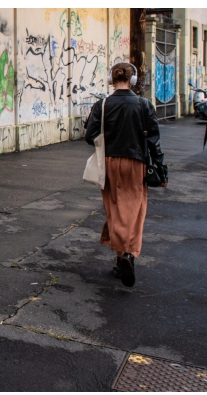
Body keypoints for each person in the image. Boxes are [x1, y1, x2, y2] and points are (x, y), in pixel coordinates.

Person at [84, 62, 165, 287]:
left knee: (114, 206)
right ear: (133, 80)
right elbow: (153, 141)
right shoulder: (144, 104)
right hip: (136, 162)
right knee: (134, 209)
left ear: (111, 80)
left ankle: (121, 260)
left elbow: (90, 136)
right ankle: (128, 255)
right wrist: (161, 168)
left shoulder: (103, 105)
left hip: (109, 162)